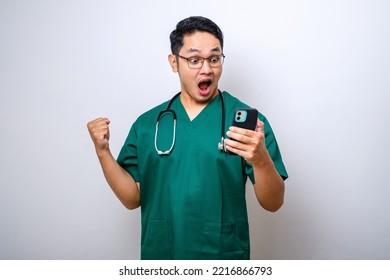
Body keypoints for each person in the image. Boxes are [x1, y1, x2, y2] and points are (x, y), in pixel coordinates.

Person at [87, 16, 288, 260]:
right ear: (174, 62)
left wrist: (260, 159)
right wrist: (102, 152)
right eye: (194, 60)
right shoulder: (148, 125)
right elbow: (132, 198)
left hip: (221, 257)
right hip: (164, 254)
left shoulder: (247, 125)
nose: (207, 69)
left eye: (214, 59)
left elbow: (273, 202)